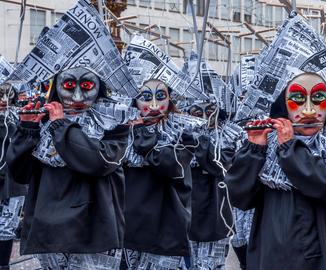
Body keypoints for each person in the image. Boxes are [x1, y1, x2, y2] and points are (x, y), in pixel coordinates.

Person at [226, 72, 326, 269]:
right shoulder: (267, 143)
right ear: (284, 105)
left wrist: (289, 148)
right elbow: (239, 197)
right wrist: (254, 149)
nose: (310, 111)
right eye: (298, 99)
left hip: (321, 258)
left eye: (319, 98)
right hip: (270, 255)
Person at [6, 66, 129, 269]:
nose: (78, 96)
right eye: (69, 86)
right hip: (49, 230)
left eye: (87, 85)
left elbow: (98, 162)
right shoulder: (45, 120)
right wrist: (28, 130)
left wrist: (61, 126)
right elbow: (20, 174)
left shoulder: (115, 121)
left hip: (94, 229)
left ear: (99, 88)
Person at [122, 79, 194, 270]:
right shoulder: (119, 129)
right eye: (145, 97)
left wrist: (142, 135)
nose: (154, 105)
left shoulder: (184, 130)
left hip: (166, 231)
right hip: (127, 231)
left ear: (170, 99)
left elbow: (171, 165)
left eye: (160, 96)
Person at [185, 101, 235, 270]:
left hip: (215, 212)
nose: (206, 118)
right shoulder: (180, 133)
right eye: (198, 114)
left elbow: (219, 165)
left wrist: (201, 140)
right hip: (185, 211)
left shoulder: (227, 135)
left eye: (211, 112)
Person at [0, 83, 26, 270]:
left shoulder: (18, 117)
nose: (3, 101)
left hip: (12, 181)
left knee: (6, 228)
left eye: (7, 95)